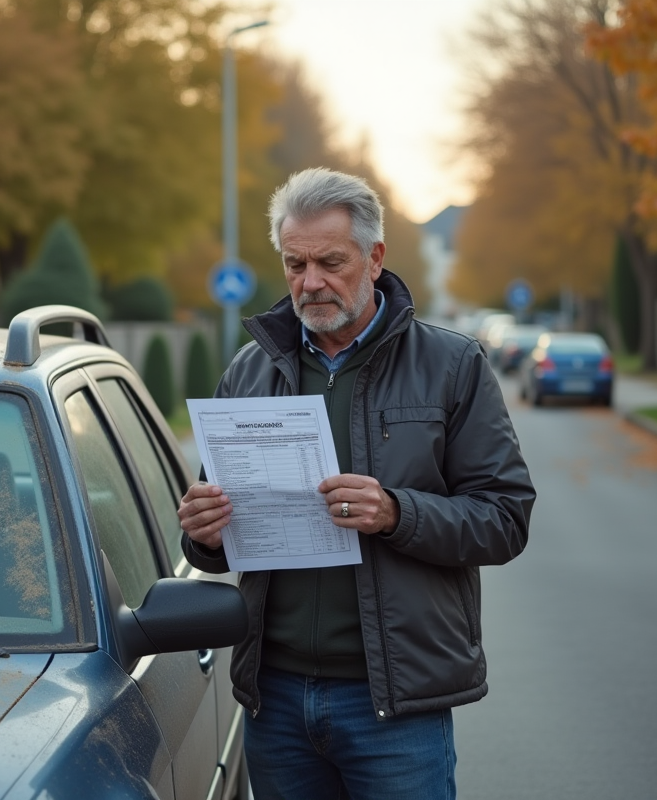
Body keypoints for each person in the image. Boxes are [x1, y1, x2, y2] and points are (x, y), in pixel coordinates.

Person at [178, 168, 536, 800]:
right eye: (295, 264)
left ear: (374, 259)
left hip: (395, 704)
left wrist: (396, 512)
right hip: (276, 699)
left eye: (329, 262)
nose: (310, 282)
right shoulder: (249, 370)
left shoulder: (452, 365)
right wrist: (203, 534)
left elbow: (504, 518)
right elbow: (218, 539)